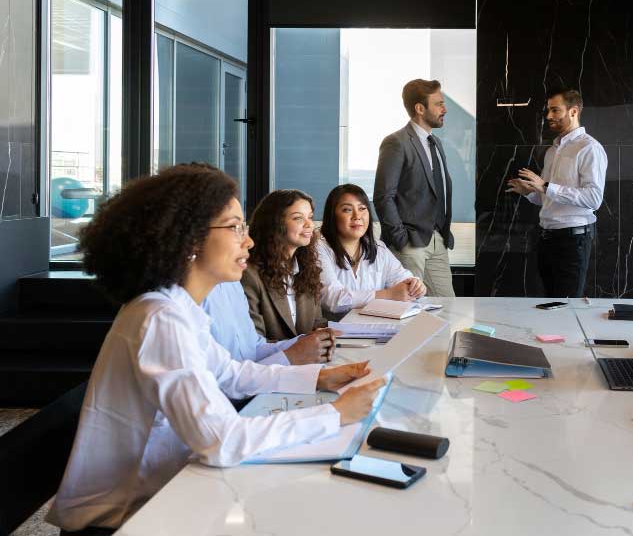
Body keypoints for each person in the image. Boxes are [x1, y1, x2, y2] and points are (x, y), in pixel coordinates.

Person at [47, 165, 384, 534]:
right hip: (126, 520)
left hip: (166, 493)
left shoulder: (174, 305)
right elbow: (221, 441)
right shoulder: (160, 318)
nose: (250, 241)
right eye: (236, 227)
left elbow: (232, 373)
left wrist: (319, 376)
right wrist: (334, 415)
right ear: (189, 240)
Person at [506, 89, 608, 298]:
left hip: (573, 241)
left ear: (573, 112)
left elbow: (594, 199)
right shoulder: (552, 151)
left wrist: (544, 186)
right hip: (547, 239)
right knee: (550, 305)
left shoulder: (589, 148)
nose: (548, 116)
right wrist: (530, 192)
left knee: (566, 307)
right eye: (548, 110)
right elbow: (548, 197)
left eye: (555, 110)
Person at [374, 78, 456, 297]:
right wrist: (401, 240)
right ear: (420, 108)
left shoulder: (435, 143)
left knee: (447, 306)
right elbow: (383, 197)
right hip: (410, 244)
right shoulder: (396, 142)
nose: (444, 109)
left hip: (437, 240)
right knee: (407, 309)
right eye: (439, 104)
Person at [317, 183, 426, 314]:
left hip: (375, 326)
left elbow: (403, 279)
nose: (357, 216)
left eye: (362, 208)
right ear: (332, 216)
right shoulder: (318, 248)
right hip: (333, 330)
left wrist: (415, 286)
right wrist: (388, 295)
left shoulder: (378, 247)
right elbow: (332, 299)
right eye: (347, 210)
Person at [241, 189, 326, 341]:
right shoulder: (249, 275)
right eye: (298, 218)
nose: (309, 224)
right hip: (271, 363)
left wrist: (325, 336)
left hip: (308, 362)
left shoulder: (308, 268)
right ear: (274, 223)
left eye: (310, 217)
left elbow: (317, 323)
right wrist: (300, 348)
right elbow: (253, 342)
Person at [203, 280, 335, 365]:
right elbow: (227, 379)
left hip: (257, 387)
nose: (249, 243)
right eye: (239, 234)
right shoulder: (191, 299)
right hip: (237, 402)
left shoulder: (232, 284)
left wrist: (306, 343)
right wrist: (291, 357)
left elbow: (254, 348)